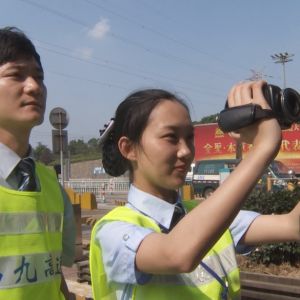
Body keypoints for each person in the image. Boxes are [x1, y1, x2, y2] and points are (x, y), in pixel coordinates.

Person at [90, 85, 300, 300]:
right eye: (170, 138)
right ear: (129, 149)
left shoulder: (203, 215)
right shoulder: (111, 231)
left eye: (189, 137)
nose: (186, 151)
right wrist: (263, 148)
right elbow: (176, 255)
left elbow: (294, 225)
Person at [0, 27, 76, 299]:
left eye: (39, 77)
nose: (34, 86)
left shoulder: (49, 183)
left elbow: (54, 273)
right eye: (15, 75)